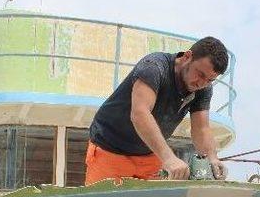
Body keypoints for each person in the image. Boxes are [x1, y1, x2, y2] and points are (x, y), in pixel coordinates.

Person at [85, 36, 229, 185]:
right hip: (110, 152)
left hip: (150, 155)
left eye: (210, 80)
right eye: (200, 74)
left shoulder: (203, 88)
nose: (202, 83)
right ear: (187, 56)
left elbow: (201, 128)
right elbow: (140, 114)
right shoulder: (153, 67)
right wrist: (169, 158)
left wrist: (212, 157)